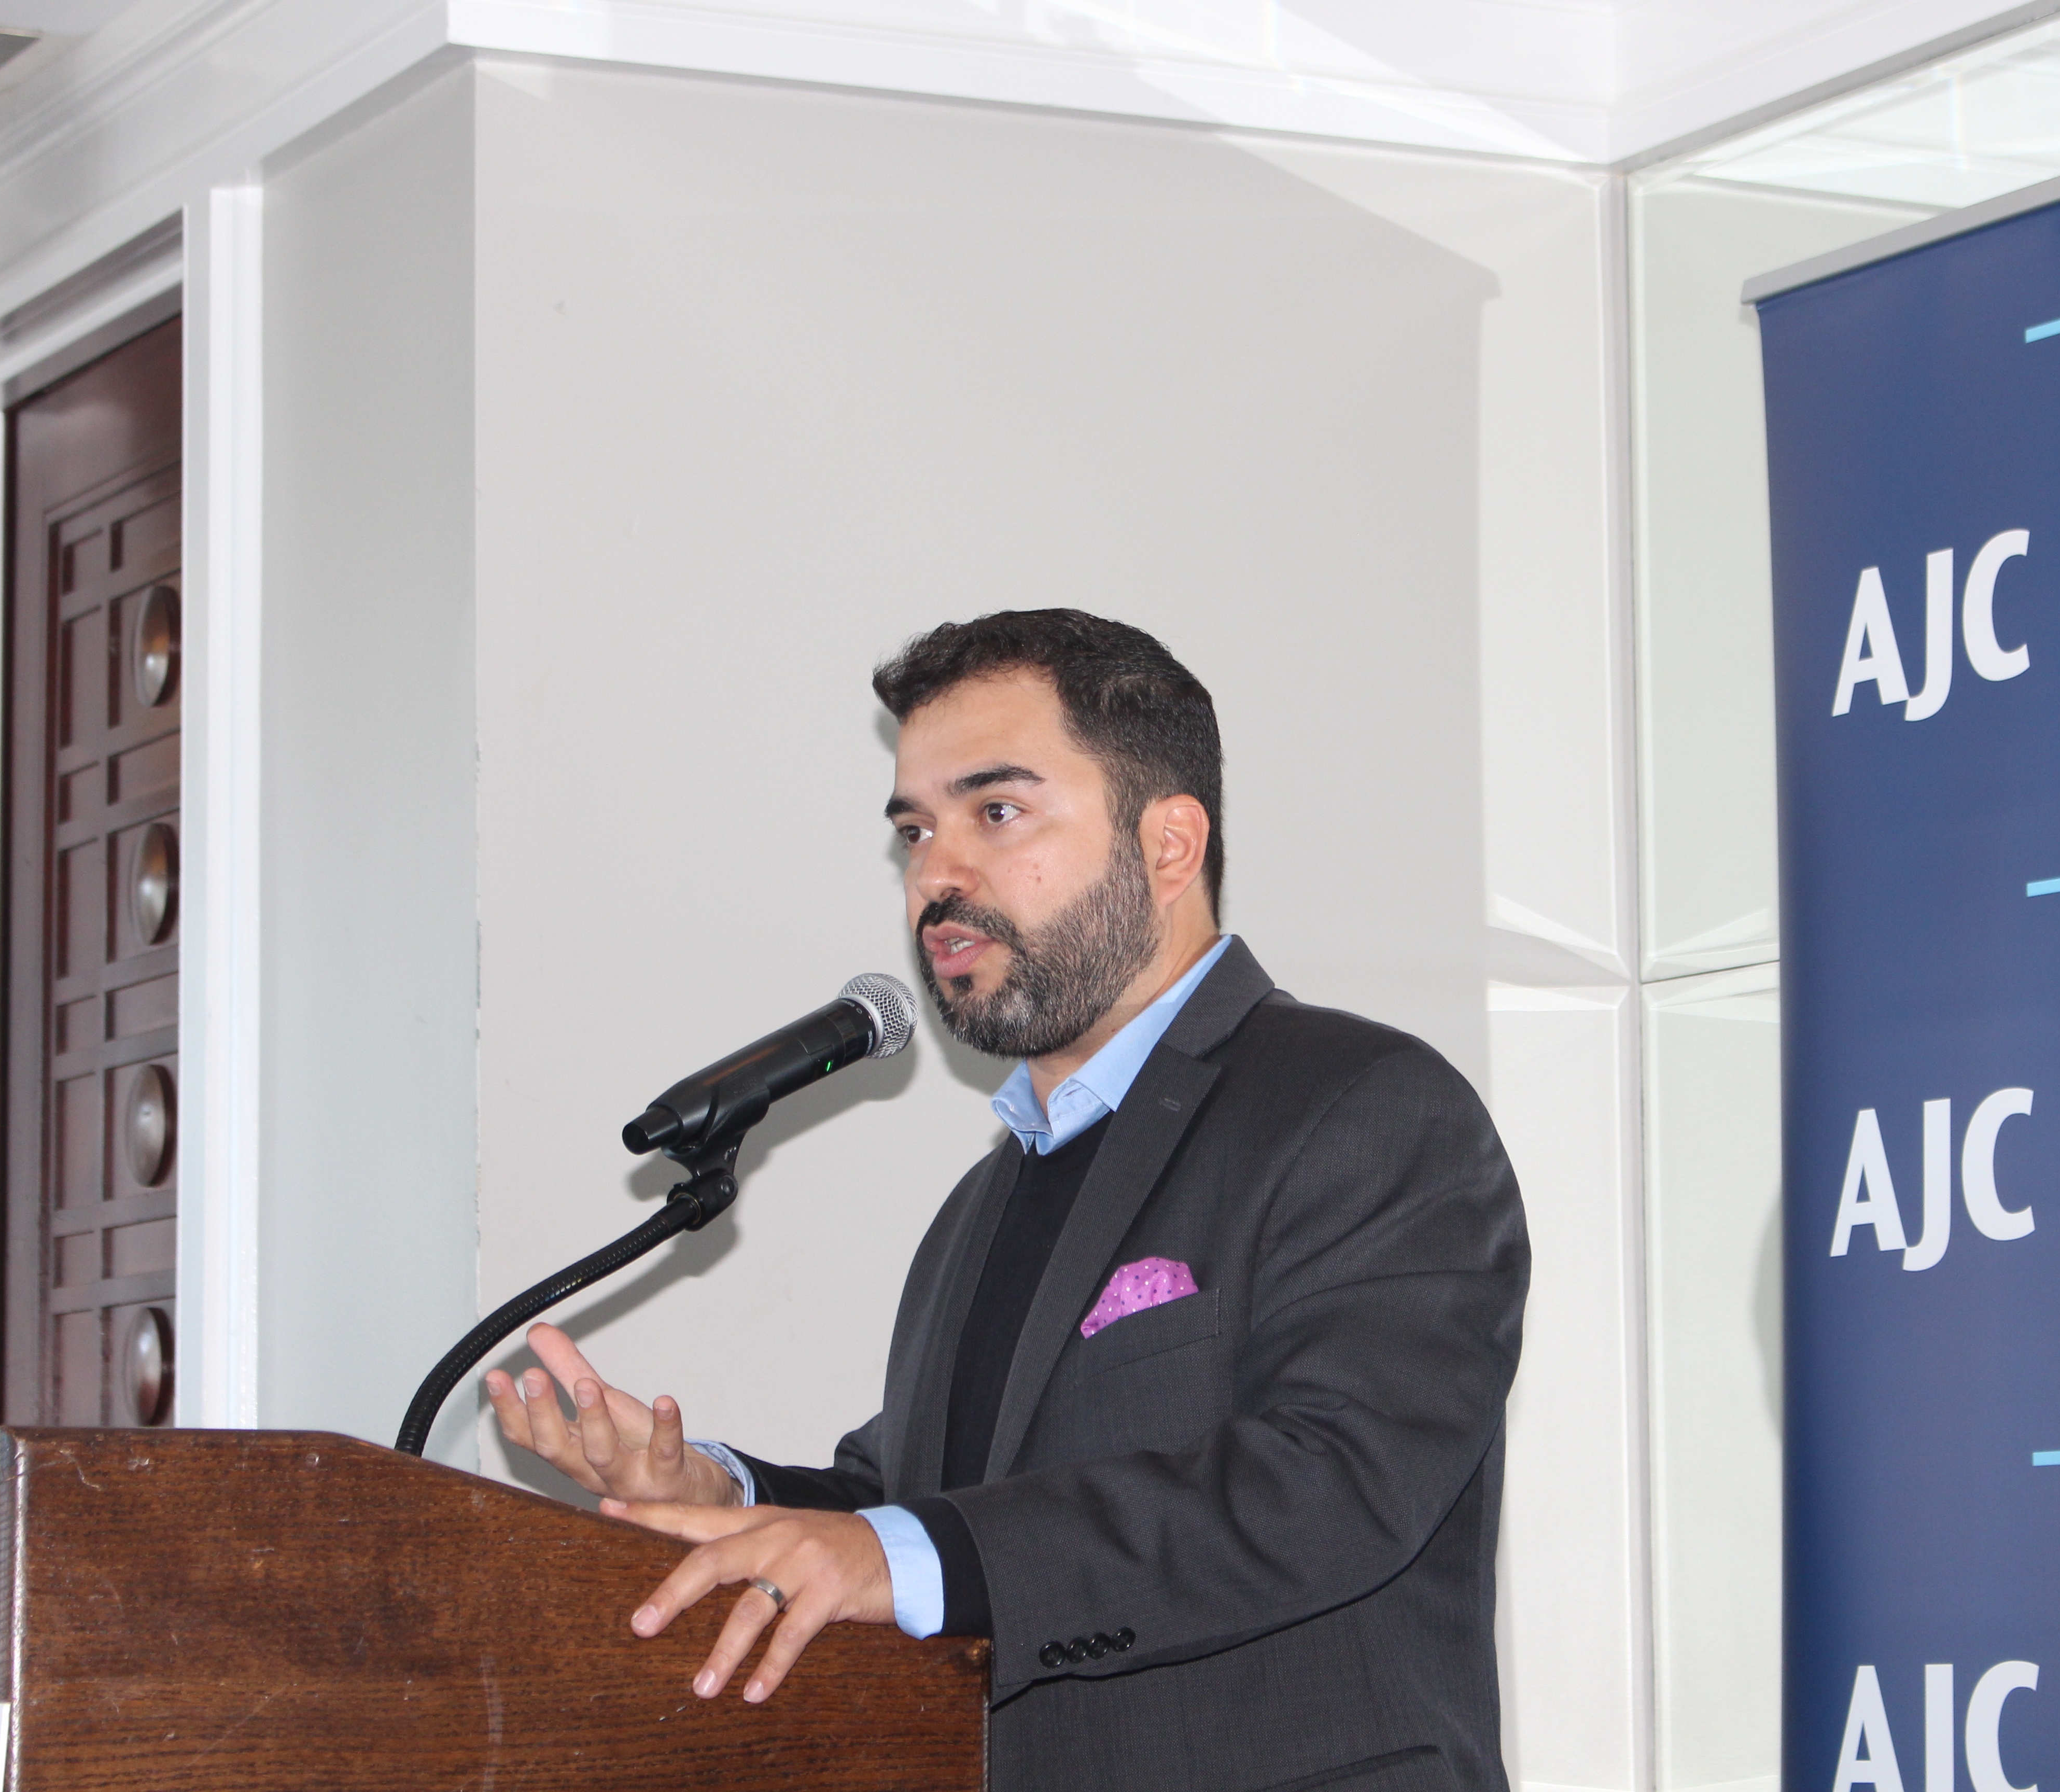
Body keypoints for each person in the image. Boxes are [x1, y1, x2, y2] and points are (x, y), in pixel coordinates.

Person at [486, 610, 1529, 1792]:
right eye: (916, 830)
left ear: (1169, 845)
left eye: (997, 812)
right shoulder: (981, 1208)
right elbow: (918, 1509)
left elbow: (1334, 1483)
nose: (938, 875)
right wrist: (717, 1494)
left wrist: (895, 1550)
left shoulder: (1360, 1107)